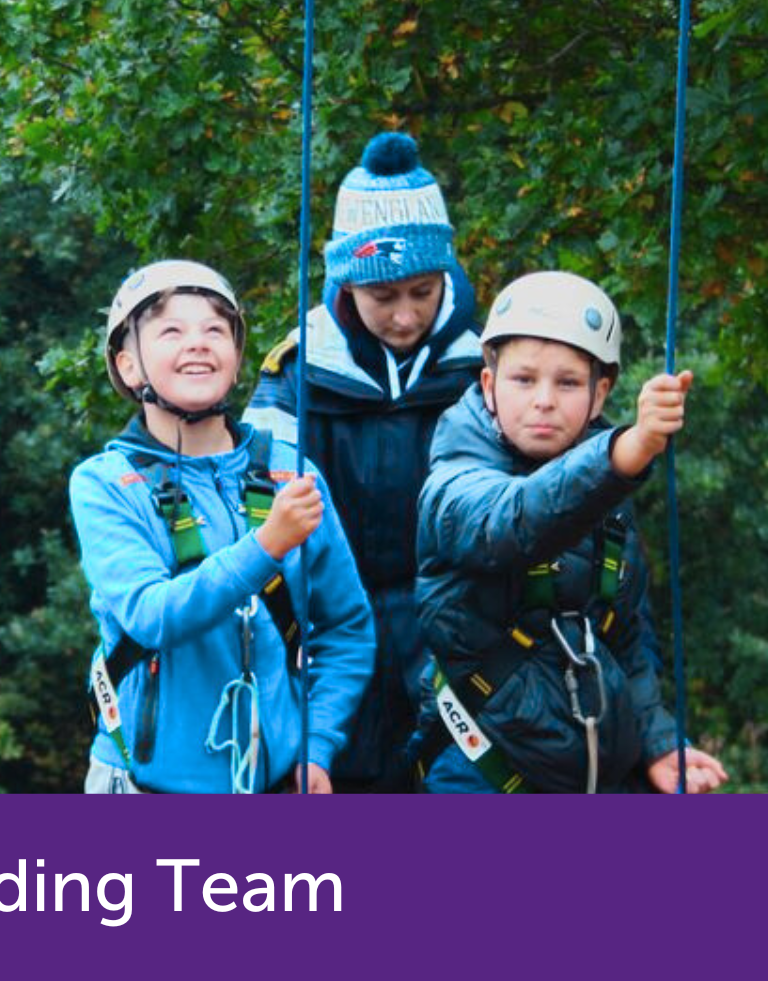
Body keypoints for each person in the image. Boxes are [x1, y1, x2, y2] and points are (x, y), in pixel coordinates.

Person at [415, 270, 729, 793]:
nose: (544, 399)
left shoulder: (609, 502)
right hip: (479, 769)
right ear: (489, 385)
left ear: (599, 393)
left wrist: (657, 744)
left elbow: (624, 639)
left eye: (567, 383)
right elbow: (510, 523)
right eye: (523, 379)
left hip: (594, 774)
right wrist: (625, 453)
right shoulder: (453, 484)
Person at [70, 259, 375, 794]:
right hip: (143, 787)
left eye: (216, 329)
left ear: (236, 361)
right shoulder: (107, 484)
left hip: (276, 782)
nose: (198, 343)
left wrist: (318, 745)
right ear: (129, 366)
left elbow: (346, 626)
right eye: (171, 330)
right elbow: (150, 615)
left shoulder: (292, 473)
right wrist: (266, 545)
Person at [244, 131, 482, 792]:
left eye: (423, 292)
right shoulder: (298, 371)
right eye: (384, 297)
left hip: (452, 624)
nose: (405, 316)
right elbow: (259, 505)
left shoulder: (488, 366)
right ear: (345, 284)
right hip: (330, 626)